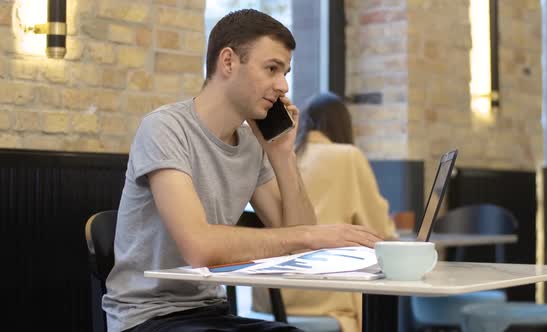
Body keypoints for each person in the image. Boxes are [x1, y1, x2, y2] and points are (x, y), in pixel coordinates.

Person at [102, 9, 383, 332]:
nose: (283, 86)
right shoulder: (164, 128)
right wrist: (310, 235)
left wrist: (282, 154)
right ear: (228, 61)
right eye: (272, 69)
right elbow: (200, 247)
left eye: (286, 72)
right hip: (147, 317)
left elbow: (296, 237)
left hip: (211, 312)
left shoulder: (252, 145)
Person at [252, 92, 397, 332]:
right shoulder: (347, 155)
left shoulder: (282, 152)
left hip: (269, 294)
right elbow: (379, 230)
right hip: (321, 291)